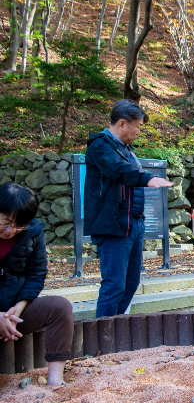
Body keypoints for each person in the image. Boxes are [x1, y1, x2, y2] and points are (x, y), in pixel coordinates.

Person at [84, 100, 173, 318]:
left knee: (131, 282)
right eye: (139, 126)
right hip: (113, 224)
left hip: (133, 223)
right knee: (114, 284)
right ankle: (104, 336)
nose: (139, 131)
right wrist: (147, 178)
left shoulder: (126, 148)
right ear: (122, 124)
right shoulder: (101, 146)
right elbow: (118, 170)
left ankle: (117, 327)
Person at [0, 183, 73, 385]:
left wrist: (19, 307)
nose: (11, 230)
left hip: (15, 311)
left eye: (19, 226)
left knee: (59, 307)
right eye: (6, 222)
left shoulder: (32, 233)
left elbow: (37, 273)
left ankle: (56, 380)